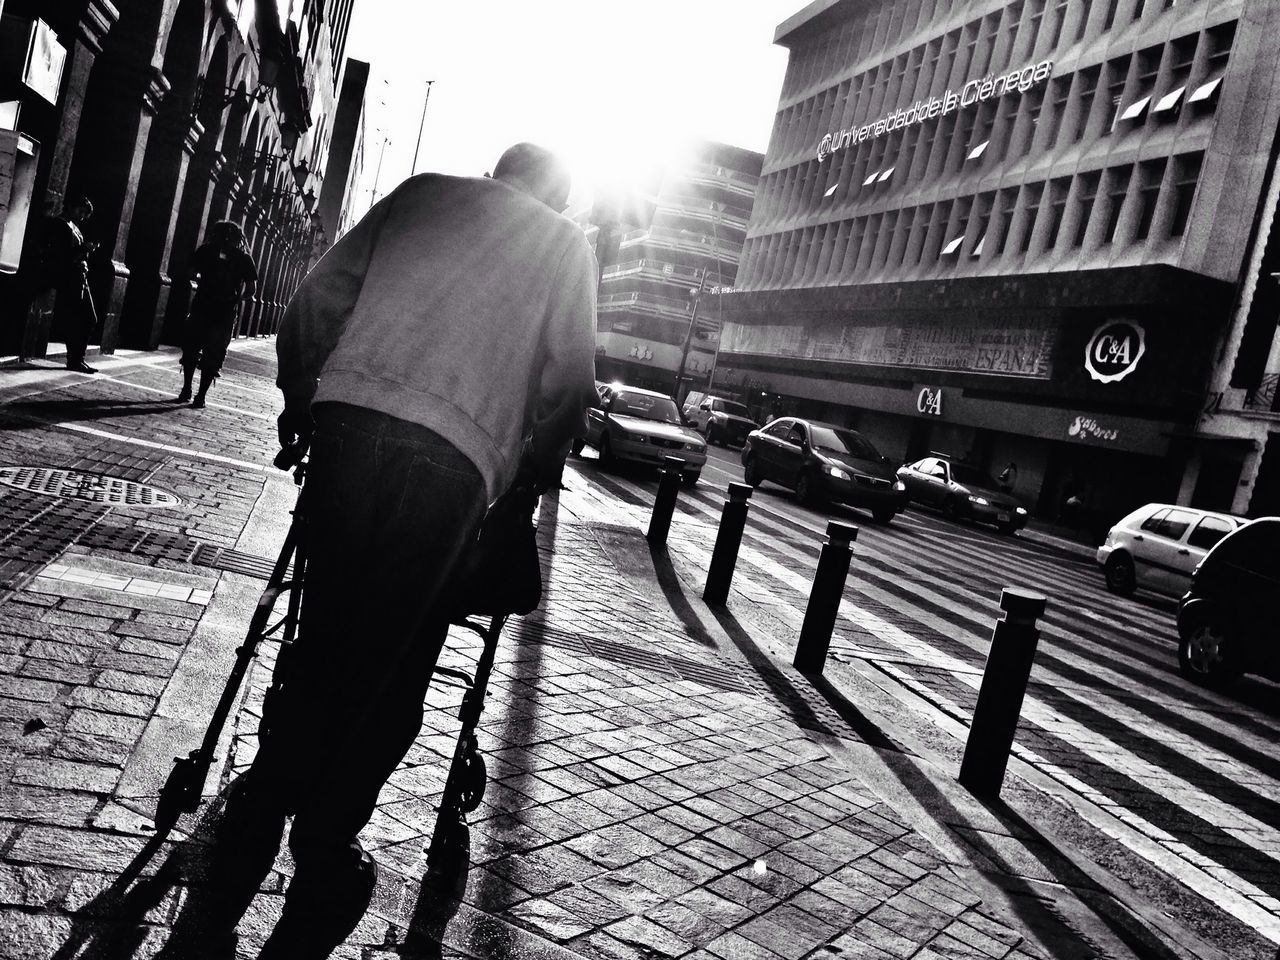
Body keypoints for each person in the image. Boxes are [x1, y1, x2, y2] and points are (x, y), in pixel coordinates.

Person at [212, 142, 598, 958]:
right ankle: (326, 842)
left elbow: (319, 296)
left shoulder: (424, 192)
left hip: (351, 426)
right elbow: (569, 383)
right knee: (394, 659)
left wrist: (299, 397)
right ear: (556, 194)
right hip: (454, 467)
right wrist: (525, 480)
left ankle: (263, 796)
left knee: (321, 633)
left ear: (498, 172)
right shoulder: (564, 245)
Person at [179, 220, 258, 407]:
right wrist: (236, 299)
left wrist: (204, 280)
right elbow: (252, 289)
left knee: (191, 348)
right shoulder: (244, 258)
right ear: (239, 237)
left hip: (202, 306)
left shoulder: (206, 250)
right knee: (213, 355)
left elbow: (190, 273)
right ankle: (201, 396)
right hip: (225, 313)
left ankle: (186, 389)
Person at [34, 196, 98, 372]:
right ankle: (75, 360)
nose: (82, 216)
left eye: (85, 214)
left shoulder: (74, 226)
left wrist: (86, 250)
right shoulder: (58, 224)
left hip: (80, 276)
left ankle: (78, 359)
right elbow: (60, 254)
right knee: (81, 318)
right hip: (69, 277)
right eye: (81, 211)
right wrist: (82, 249)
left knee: (88, 318)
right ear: (70, 206)